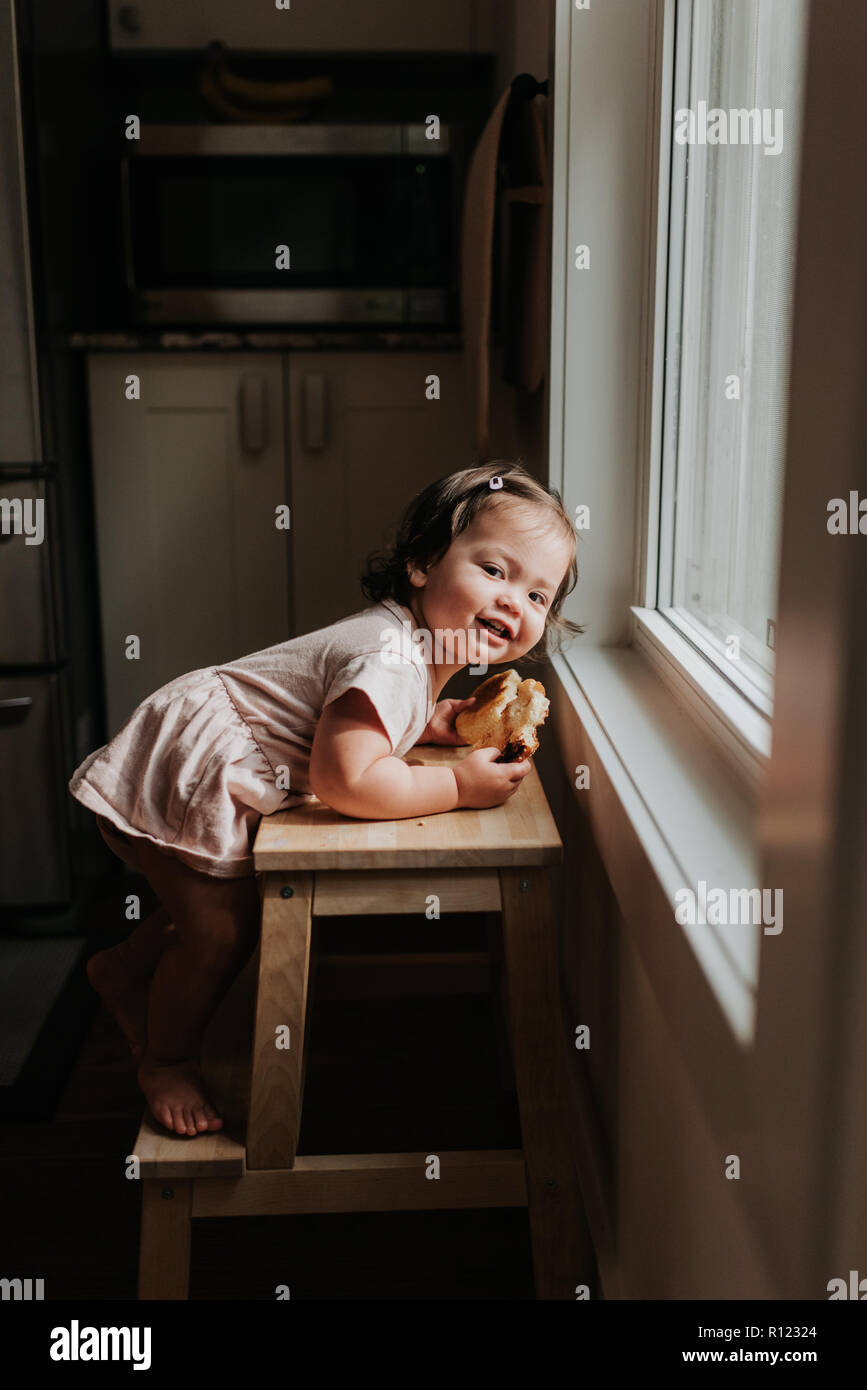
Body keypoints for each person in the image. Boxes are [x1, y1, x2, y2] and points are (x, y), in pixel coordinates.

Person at [70, 461, 582, 1137]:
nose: (515, 601)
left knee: (208, 911)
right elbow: (348, 781)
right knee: (222, 931)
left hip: (200, 750)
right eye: (494, 570)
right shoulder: (391, 657)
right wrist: (456, 785)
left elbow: (364, 719)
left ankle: (126, 970)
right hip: (186, 770)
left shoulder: (413, 649)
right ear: (422, 563)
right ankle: (166, 1061)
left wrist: (436, 723)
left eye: (539, 595)